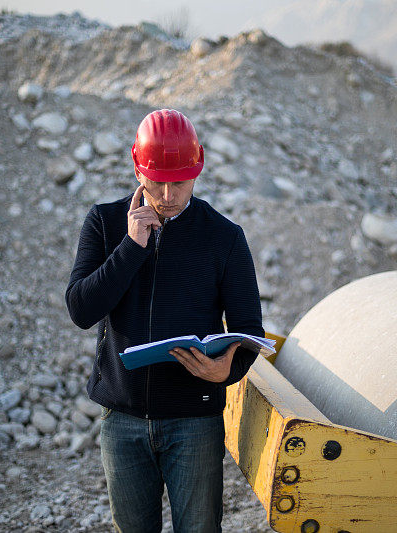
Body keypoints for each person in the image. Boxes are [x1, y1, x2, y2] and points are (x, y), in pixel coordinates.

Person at [65, 108, 264, 533]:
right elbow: (81, 310)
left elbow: (251, 331)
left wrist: (229, 369)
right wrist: (132, 247)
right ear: (138, 168)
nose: (169, 195)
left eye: (180, 182)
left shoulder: (225, 237)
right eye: (157, 182)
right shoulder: (104, 223)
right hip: (122, 423)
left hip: (195, 422)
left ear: (198, 169)